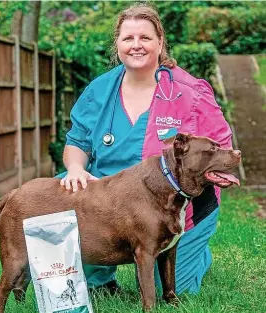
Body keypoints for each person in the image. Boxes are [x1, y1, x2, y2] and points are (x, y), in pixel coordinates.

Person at [58, 3, 232, 296]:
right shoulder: (98, 91)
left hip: (171, 210)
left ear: (160, 42)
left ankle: (194, 250)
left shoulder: (190, 93)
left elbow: (219, 149)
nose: (136, 46)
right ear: (117, 44)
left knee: (179, 289)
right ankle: (100, 275)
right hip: (107, 206)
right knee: (79, 277)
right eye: (128, 38)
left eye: (145, 38)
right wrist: (76, 168)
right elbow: (77, 143)